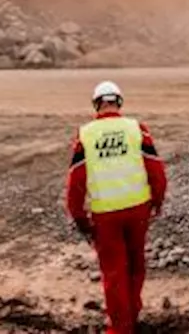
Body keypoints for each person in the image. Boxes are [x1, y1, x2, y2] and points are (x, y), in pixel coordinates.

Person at [66, 80, 167, 334]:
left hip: (106, 215)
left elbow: (76, 181)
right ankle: (132, 315)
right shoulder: (137, 129)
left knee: (114, 272)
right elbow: (156, 170)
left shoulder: (86, 134)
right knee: (135, 266)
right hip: (138, 210)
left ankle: (121, 328)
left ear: (96, 105)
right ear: (118, 103)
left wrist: (79, 217)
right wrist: (157, 200)